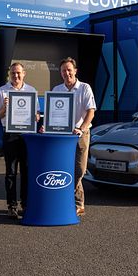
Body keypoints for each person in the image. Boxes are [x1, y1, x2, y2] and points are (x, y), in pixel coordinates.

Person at [0, 62, 39, 219]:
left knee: (26, 171)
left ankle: (25, 204)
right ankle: (11, 206)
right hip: (10, 134)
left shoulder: (31, 91)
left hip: (26, 136)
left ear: (24, 73)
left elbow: (36, 115)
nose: (16, 75)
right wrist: (5, 109)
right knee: (11, 172)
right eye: (13, 73)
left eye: (18, 73)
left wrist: (36, 116)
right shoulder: (2, 91)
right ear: (9, 74)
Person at [52, 57, 96, 217]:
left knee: (79, 170)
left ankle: (69, 199)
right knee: (63, 168)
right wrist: (47, 125)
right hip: (62, 136)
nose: (66, 73)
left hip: (80, 135)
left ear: (75, 71)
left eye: (69, 69)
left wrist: (81, 128)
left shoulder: (84, 88)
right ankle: (78, 204)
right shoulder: (57, 90)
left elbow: (91, 111)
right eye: (63, 70)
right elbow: (53, 113)